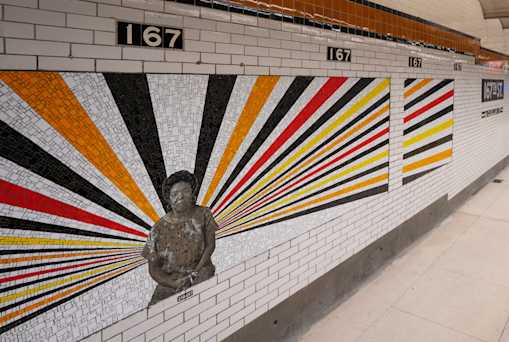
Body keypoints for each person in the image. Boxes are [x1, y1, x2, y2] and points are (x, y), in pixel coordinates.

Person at [142, 170, 218, 305]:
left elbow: (210, 246)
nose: (181, 196)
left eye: (185, 191)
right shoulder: (158, 229)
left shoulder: (203, 214)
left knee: (199, 306)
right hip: (170, 282)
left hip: (201, 272)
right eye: (175, 194)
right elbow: (153, 269)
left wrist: (194, 273)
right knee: (154, 315)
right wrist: (173, 283)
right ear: (169, 201)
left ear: (193, 194)